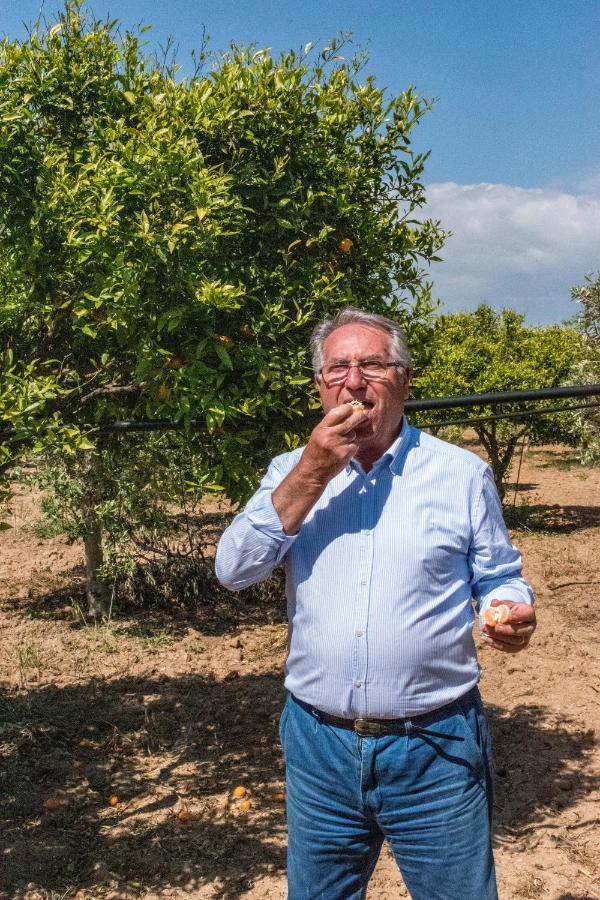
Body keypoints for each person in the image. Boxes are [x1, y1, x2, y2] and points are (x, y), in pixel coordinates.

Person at [216, 307, 536, 900]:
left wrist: (510, 606)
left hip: (436, 746)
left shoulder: (461, 474)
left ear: (405, 379)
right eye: (337, 368)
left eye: (373, 365)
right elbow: (234, 570)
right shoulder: (291, 472)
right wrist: (314, 471)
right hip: (320, 747)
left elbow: (498, 576)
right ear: (319, 385)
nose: (354, 382)